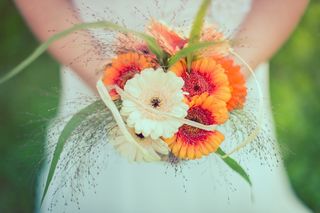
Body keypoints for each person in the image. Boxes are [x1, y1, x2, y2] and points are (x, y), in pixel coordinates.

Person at [15, 0, 310, 212]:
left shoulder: (221, 79)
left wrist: (220, 79)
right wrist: (109, 83)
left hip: (226, 67)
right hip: (99, 67)